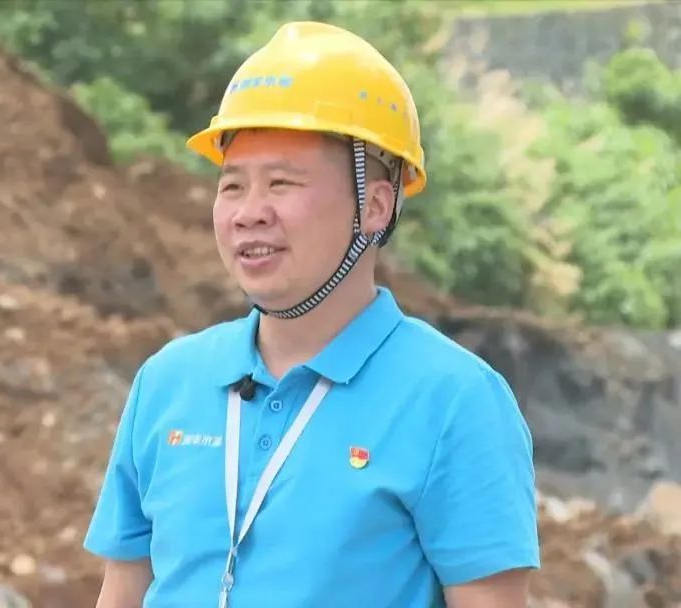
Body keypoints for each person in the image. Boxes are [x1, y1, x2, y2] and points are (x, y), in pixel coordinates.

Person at [83, 21, 539, 608]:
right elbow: (122, 591)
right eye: (232, 186)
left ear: (375, 206)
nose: (249, 213)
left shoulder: (455, 400)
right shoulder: (168, 382)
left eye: (281, 182)